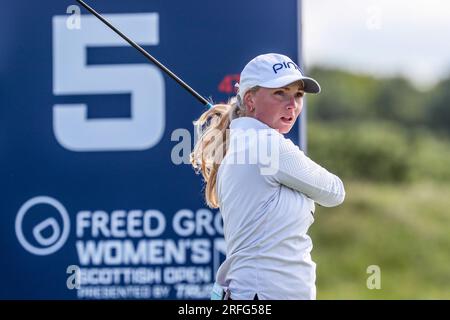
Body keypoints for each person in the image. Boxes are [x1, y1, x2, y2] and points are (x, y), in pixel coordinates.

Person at [190, 53, 345, 300]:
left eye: (298, 95)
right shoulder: (267, 145)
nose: (292, 104)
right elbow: (335, 191)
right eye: (280, 93)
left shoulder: (238, 142)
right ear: (250, 100)